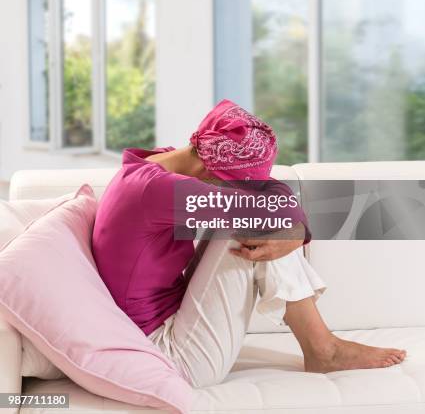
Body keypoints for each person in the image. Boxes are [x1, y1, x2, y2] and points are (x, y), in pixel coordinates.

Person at [92, 99, 406, 388]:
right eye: (242, 186)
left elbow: (274, 199)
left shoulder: (162, 165)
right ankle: (323, 349)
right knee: (260, 225)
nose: (248, 191)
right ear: (209, 169)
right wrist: (295, 232)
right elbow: (276, 210)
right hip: (170, 356)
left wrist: (289, 226)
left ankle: (323, 347)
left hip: (166, 326)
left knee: (259, 222)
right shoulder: (161, 191)